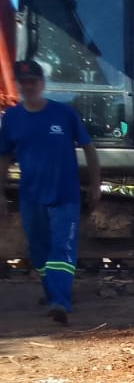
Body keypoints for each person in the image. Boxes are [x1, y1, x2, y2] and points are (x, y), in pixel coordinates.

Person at [0, 59, 100, 324]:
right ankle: (54, 292)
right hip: (31, 197)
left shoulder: (63, 114)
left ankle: (60, 302)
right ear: (19, 86)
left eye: (33, 81)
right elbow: (4, 158)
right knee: (39, 252)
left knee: (61, 248)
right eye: (23, 83)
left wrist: (95, 185)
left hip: (65, 195)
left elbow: (89, 149)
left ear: (42, 84)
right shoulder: (11, 118)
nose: (28, 86)